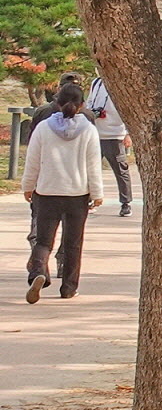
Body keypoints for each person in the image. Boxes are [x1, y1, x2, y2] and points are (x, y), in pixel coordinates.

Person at [22, 84, 104, 302]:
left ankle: (38, 272)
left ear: (56, 103)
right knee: (73, 243)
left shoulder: (43, 128)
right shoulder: (88, 130)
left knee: (43, 241)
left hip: (47, 192)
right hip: (77, 194)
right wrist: (97, 193)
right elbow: (93, 165)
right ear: (82, 105)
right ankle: (68, 288)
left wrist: (28, 186)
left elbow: (32, 161)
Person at [83, 75, 132, 216]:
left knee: (121, 170)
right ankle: (88, 200)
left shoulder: (122, 82)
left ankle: (125, 203)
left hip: (115, 134)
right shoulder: (97, 82)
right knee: (89, 169)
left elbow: (129, 110)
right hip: (94, 132)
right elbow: (90, 101)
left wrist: (128, 133)